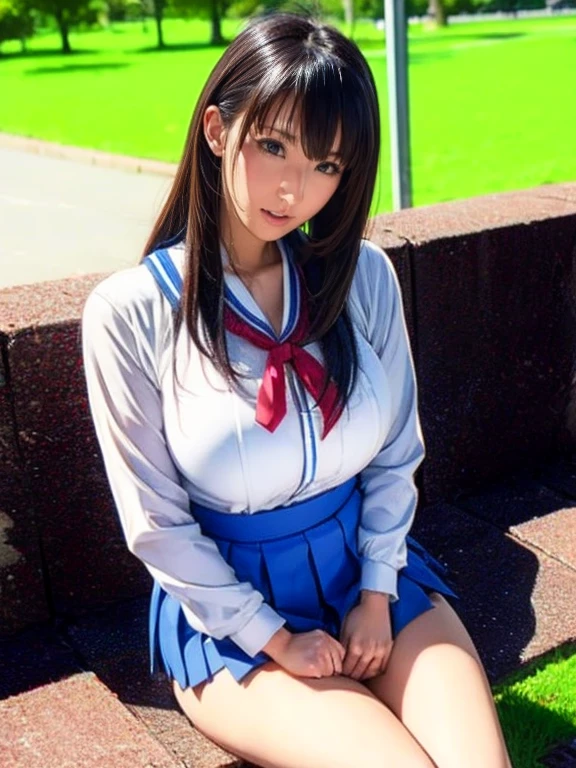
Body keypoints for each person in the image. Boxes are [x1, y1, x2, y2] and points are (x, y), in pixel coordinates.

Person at [82, 12, 512, 768]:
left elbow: (396, 452)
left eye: (327, 165)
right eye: (273, 145)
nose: (294, 188)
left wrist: (377, 591)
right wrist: (273, 637)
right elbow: (156, 524)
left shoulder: (361, 278)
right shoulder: (132, 312)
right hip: (229, 620)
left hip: (372, 567)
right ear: (217, 130)